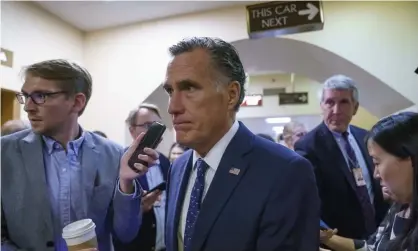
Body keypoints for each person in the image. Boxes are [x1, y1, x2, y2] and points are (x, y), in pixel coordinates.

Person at [163, 37, 320, 251]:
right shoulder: (178, 168)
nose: (173, 107)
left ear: (231, 94)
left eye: (189, 88)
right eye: (170, 91)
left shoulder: (285, 172)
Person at [1, 59, 159, 251]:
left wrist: (126, 183)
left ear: (77, 102)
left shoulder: (114, 154)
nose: (28, 107)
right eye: (26, 96)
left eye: (40, 96)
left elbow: (125, 233)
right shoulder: (5, 153)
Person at [294, 75, 389, 239]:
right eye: (330, 102)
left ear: (355, 107)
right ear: (322, 106)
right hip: (339, 239)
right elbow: (308, 201)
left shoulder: (365, 138)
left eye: (344, 102)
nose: (336, 110)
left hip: (378, 235)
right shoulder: (308, 146)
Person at [319, 112, 418, 251]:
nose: (376, 174)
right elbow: (371, 247)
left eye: (377, 162)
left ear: (410, 159)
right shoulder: (400, 207)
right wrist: (326, 238)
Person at [113, 103, 171, 251]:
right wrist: (137, 207)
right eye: (147, 125)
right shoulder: (118, 162)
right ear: (132, 131)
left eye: (157, 126)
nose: (154, 131)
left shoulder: (165, 162)